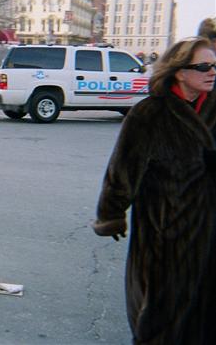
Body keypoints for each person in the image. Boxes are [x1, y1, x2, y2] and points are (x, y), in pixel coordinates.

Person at [92, 37, 216, 344]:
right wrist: (112, 215)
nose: (212, 72)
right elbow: (122, 170)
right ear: (180, 72)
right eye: (203, 66)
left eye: (215, 65)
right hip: (167, 232)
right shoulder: (150, 114)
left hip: (210, 228)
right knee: (161, 313)